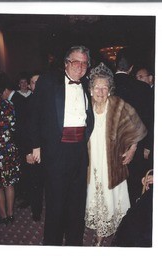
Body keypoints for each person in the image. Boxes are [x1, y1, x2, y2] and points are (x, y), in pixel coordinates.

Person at [29, 45, 94, 245]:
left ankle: (74, 244)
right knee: (56, 204)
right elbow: (34, 113)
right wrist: (36, 145)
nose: (80, 67)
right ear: (66, 63)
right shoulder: (49, 81)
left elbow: (88, 118)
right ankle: (53, 245)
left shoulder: (86, 84)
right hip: (56, 151)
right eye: (76, 62)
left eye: (84, 63)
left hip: (79, 151)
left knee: (76, 204)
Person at [85, 62, 147, 246]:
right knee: (95, 194)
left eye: (105, 87)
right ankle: (100, 231)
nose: (101, 91)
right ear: (91, 88)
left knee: (111, 197)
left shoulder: (118, 105)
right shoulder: (86, 106)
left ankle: (106, 235)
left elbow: (136, 126)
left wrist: (132, 149)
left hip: (112, 162)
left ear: (110, 89)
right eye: (97, 87)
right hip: (92, 161)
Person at [114, 47, 153, 206]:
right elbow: (150, 119)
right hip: (136, 145)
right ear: (131, 68)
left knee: (113, 183)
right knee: (134, 185)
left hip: (111, 144)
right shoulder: (142, 88)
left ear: (115, 65)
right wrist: (147, 147)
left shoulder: (104, 86)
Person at [0, 76, 21, 225]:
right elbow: (14, 127)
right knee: (9, 183)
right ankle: (10, 214)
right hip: (9, 149)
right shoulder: (9, 105)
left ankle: (3, 217)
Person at [23, 72, 44, 221]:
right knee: (36, 184)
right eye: (33, 82)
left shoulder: (51, 100)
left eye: (39, 81)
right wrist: (28, 152)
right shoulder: (26, 103)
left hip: (50, 151)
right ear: (30, 86)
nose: (36, 84)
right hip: (34, 151)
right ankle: (36, 213)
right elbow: (23, 131)